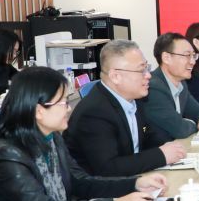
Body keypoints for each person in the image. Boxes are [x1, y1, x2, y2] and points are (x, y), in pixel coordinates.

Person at [0, 67, 167, 201]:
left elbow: (80, 182)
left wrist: (135, 183)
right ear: (39, 111)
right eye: (63, 103)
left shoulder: (51, 137)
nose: (68, 109)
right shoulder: (8, 155)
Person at [65, 40, 187, 177]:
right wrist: (161, 155)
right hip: (104, 187)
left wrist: (172, 149)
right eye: (141, 70)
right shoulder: (94, 112)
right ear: (116, 76)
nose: (148, 75)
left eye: (147, 68)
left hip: (132, 178)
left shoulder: (134, 99)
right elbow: (108, 168)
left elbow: (150, 138)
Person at [142, 32, 199, 140]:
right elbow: (180, 130)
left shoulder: (181, 83)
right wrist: (197, 123)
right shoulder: (153, 88)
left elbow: (198, 109)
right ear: (166, 58)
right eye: (187, 55)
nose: (193, 62)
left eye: (193, 56)